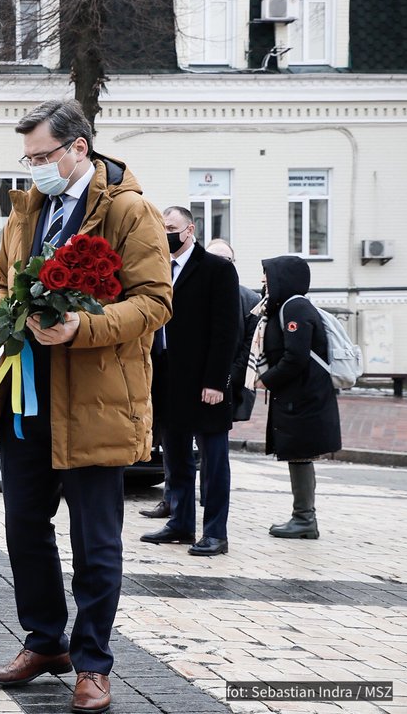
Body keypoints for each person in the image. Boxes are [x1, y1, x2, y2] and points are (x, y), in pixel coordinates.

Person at [0, 100, 171, 714]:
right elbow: (1, 282)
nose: (34, 168)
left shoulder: (128, 210)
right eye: (28, 158)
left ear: (79, 148)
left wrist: (78, 330)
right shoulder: (28, 208)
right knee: (22, 527)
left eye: (43, 156)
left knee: (95, 543)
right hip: (25, 394)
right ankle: (44, 641)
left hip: (98, 400)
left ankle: (93, 663)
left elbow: (154, 302)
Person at [139, 208, 239, 557]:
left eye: (171, 228)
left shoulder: (217, 269)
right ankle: (180, 523)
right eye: (161, 228)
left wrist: (216, 381)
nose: (165, 233)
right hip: (167, 378)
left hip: (204, 383)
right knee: (176, 457)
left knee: (212, 460)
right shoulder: (157, 269)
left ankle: (215, 532)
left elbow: (227, 330)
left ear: (189, 230)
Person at [256, 255, 341, 539]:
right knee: (298, 454)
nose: (264, 280)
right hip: (300, 396)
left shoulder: (296, 308)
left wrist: (265, 380)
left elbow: (296, 357)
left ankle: (304, 519)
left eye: (267, 274)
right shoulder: (288, 307)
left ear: (283, 277)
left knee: (301, 454)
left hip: (304, 397)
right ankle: (303, 516)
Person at [207, 239, 261, 423]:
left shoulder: (251, 300)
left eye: (226, 260)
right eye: (214, 258)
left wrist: (227, 378)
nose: (221, 264)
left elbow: (251, 345)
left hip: (232, 386)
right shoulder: (188, 296)